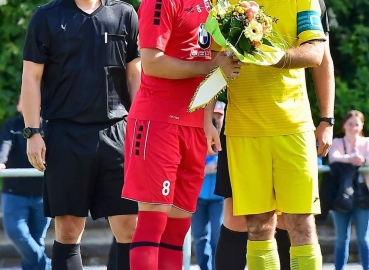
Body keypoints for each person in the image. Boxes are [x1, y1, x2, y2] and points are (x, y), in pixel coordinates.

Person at [207, 0, 335, 269]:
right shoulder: (226, 5)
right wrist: (207, 119)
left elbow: (316, 54)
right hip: (243, 130)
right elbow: (213, 61)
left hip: (293, 127)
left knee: (300, 222)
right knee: (257, 226)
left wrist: (327, 119)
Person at [120, 0, 243, 267]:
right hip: (157, 122)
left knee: (178, 229)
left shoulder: (215, 4)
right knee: (153, 222)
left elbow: (213, 59)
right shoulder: (160, 2)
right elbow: (152, 64)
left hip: (194, 126)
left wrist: (207, 118)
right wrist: (210, 68)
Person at [20, 0, 141, 269]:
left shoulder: (124, 13)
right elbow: (31, 77)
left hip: (118, 132)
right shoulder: (46, 16)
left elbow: (135, 75)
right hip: (65, 134)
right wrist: (32, 132)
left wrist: (139, 128)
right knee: (68, 230)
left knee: (129, 226)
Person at [0, 97, 51, 270]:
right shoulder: (11, 126)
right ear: (19, 106)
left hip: (43, 193)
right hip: (14, 192)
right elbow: (3, 148)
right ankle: (48, 266)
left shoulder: (49, 126)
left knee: (37, 239)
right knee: (16, 232)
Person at [328, 110, 369, 270]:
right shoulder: (337, 142)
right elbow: (333, 157)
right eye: (350, 124)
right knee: (341, 239)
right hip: (341, 196)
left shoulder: (366, 142)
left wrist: (363, 160)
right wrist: (351, 158)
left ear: (362, 126)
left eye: (356, 124)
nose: (353, 127)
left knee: (363, 239)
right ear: (344, 124)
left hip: (362, 195)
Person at [191, 102, 225, 270]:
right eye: (214, 116)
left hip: (218, 198)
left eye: (220, 116)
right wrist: (205, 169)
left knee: (217, 237)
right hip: (198, 196)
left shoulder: (227, 138)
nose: (217, 120)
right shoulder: (199, 136)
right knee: (199, 236)